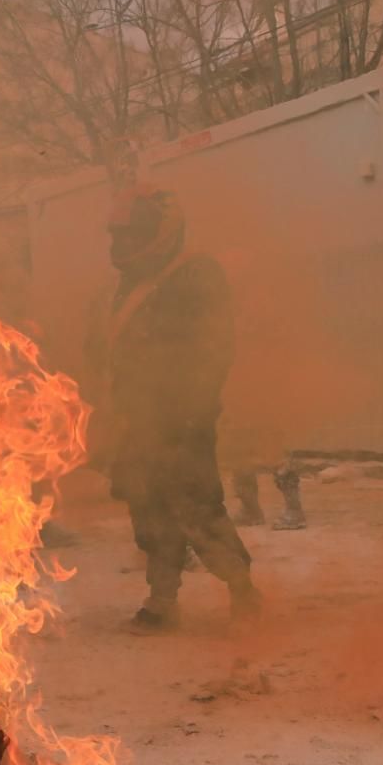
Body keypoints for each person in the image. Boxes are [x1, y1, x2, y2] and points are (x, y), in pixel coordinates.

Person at [83, 185, 259, 630]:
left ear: (160, 232)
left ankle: (244, 594)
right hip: (135, 421)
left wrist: (188, 410)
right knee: (148, 509)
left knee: (197, 507)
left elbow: (215, 349)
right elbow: (102, 350)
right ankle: (162, 601)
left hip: (181, 420)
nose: (119, 245)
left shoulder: (195, 276)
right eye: (116, 236)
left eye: (130, 235)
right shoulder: (124, 287)